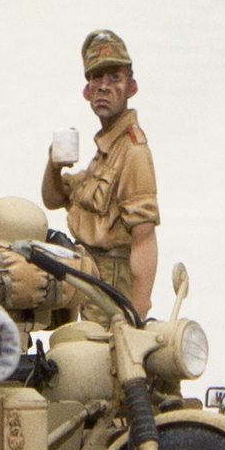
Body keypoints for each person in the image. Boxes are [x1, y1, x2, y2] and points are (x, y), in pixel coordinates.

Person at [41, 29, 159, 322]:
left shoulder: (133, 152)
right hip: (87, 279)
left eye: (115, 78)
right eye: (96, 78)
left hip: (112, 289)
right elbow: (54, 199)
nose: (104, 87)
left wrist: (136, 313)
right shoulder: (105, 151)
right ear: (87, 91)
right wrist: (54, 165)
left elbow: (144, 238)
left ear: (131, 87)